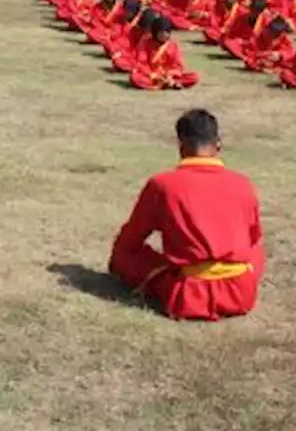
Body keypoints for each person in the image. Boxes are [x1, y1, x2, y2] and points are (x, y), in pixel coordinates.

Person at [109, 109, 263, 321]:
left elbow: (132, 239)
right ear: (218, 145)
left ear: (181, 146)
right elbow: (253, 238)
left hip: (189, 294)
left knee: (125, 255)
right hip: (240, 293)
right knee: (255, 249)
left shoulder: (162, 185)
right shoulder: (243, 183)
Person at [129, 17, 199, 90]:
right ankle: (166, 85)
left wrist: (169, 74)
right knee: (135, 78)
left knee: (194, 77)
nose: (164, 35)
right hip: (151, 75)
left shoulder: (173, 45)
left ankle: (170, 83)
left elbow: (178, 66)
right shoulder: (145, 43)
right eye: (161, 33)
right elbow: (141, 63)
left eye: (166, 33)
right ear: (155, 33)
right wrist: (154, 75)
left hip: (168, 75)